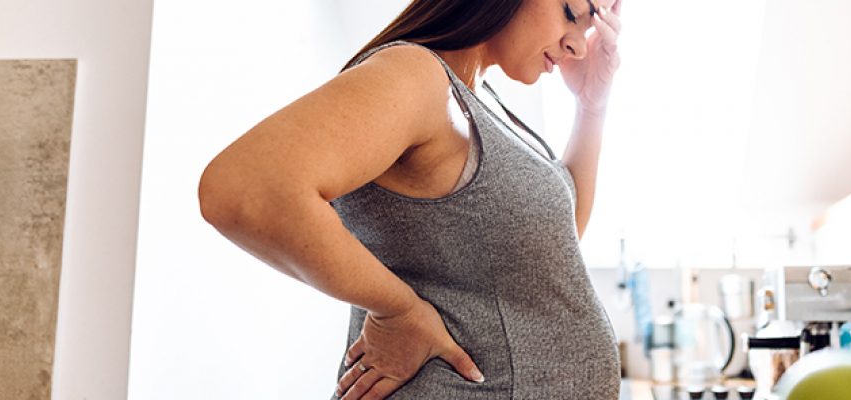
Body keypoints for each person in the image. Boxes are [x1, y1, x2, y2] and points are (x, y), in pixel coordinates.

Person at [197, 0, 624, 398]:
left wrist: (592, 106)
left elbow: (553, 253)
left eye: (589, 26)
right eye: (572, 12)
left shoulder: (479, 100)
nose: (578, 46)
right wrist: (398, 311)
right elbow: (243, 188)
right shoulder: (417, 76)